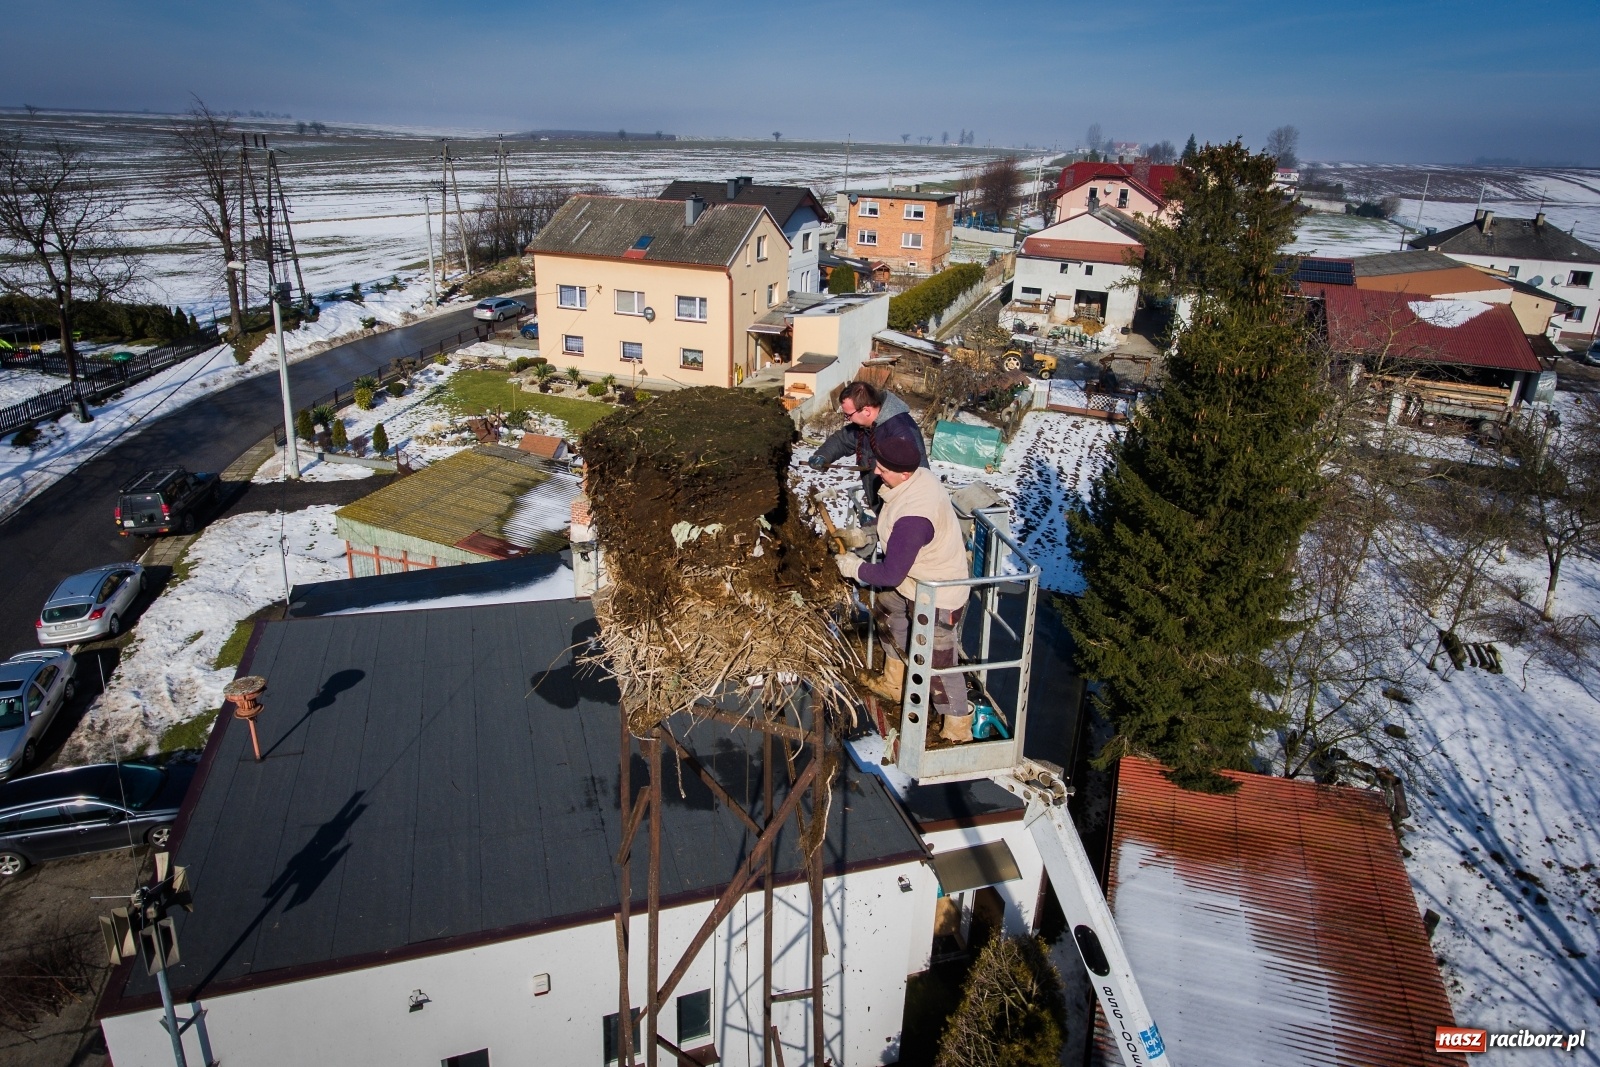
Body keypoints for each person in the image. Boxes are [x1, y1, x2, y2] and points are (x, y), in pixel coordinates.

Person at [834, 434, 973, 743]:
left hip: (939, 592)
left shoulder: (915, 516)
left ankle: (957, 727)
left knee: (939, 661)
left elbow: (891, 572)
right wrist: (865, 534)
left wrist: (854, 567)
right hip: (916, 579)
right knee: (887, 606)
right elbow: (894, 535)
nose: (877, 471)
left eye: (882, 467)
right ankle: (894, 681)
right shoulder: (915, 478)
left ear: (905, 473)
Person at [807, 381, 927, 511]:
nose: (848, 419)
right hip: (881, 505)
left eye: (849, 415)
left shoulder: (902, 432)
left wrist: (884, 520)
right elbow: (842, 440)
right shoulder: (866, 426)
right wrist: (823, 455)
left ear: (866, 411)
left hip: (901, 510)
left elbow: (917, 481)